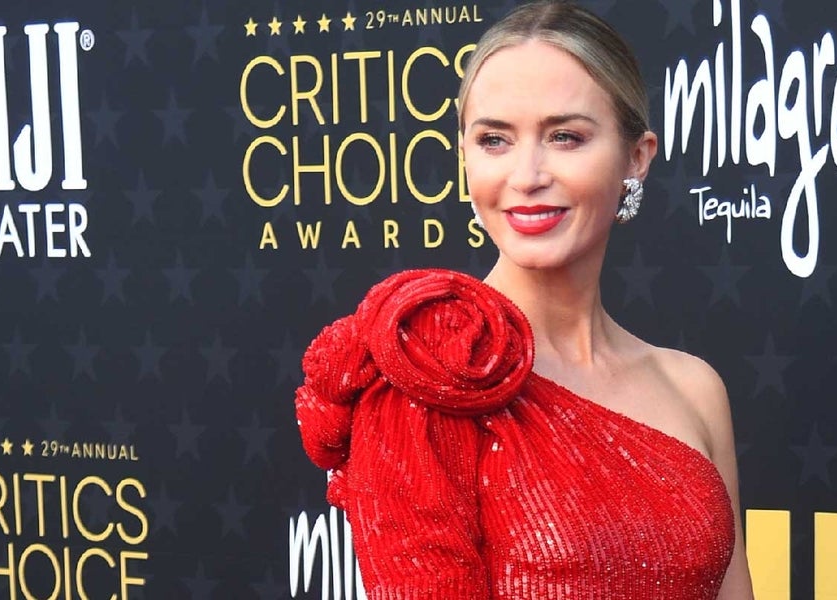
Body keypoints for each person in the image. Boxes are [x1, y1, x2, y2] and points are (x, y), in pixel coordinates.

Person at [294, 2, 753, 598]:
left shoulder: (694, 388)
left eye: (565, 137)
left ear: (636, 157)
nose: (527, 175)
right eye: (494, 140)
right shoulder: (430, 375)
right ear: (465, 157)